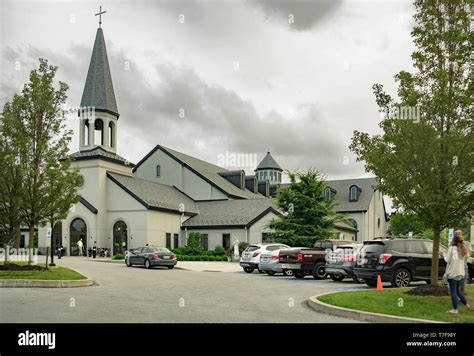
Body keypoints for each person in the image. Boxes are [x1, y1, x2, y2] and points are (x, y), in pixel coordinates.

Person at [445, 231, 470, 314]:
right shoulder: (464, 249)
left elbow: (447, 260)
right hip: (461, 273)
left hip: (452, 273)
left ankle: (455, 309)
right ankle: (466, 304)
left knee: (453, 292)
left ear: (453, 240)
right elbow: (467, 257)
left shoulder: (452, 248)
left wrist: (443, 254)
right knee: (457, 291)